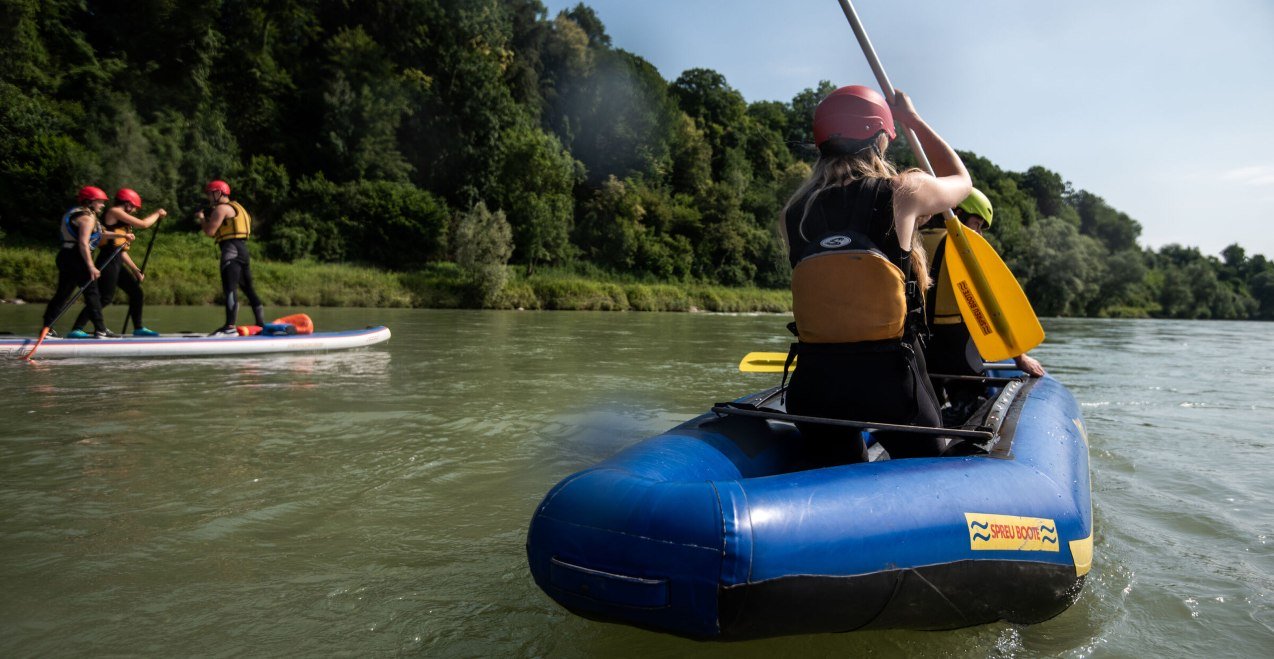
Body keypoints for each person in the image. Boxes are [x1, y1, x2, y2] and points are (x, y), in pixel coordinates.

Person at [779, 85, 971, 465]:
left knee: (836, 468)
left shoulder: (793, 212)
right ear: (881, 136)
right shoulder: (903, 191)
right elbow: (960, 181)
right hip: (892, 385)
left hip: (815, 385)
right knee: (928, 467)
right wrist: (914, 120)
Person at [920, 188, 1046, 423]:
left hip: (918, 340)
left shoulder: (911, 238)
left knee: (929, 401)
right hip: (956, 342)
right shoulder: (964, 249)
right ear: (956, 214)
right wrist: (1019, 358)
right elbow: (992, 306)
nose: (979, 233)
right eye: (976, 224)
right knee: (966, 404)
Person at [67, 188, 166, 337]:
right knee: (104, 297)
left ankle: (138, 328)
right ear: (126, 203)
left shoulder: (121, 219)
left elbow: (120, 250)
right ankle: (77, 329)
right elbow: (144, 224)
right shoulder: (114, 212)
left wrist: (135, 269)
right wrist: (157, 214)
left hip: (116, 260)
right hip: (107, 260)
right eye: (133, 207)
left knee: (136, 293)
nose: (133, 211)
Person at [40, 186, 135, 338]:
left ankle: (46, 328)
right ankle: (100, 329)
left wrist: (121, 236)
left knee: (62, 294)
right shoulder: (87, 217)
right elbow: (83, 243)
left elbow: (99, 233)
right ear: (90, 201)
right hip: (77, 258)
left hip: (65, 256)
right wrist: (91, 266)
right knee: (92, 293)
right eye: (100, 202)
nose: (103, 205)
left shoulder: (77, 213)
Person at [196, 180, 265, 335]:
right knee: (248, 289)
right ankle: (261, 324)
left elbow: (210, 232)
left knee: (230, 288)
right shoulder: (239, 207)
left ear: (219, 193)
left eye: (210, 193)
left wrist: (201, 218)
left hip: (230, 251)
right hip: (243, 251)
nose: (208, 197)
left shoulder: (221, 209)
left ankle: (229, 327)